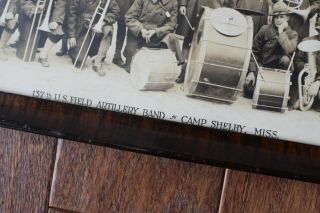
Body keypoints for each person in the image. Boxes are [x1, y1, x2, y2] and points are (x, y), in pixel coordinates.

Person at [244, 1, 298, 95]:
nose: (278, 20)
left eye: (282, 17)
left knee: (285, 60)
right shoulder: (265, 29)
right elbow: (254, 51)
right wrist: (252, 71)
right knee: (249, 91)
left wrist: (281, 32)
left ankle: (280, 87)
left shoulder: (293, 34)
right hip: (263, 66)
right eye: (276, 17)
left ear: (287, 18)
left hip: (280, 69)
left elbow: (289, 49)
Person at [175, 0, 236, 83]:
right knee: (188, 41)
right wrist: (183, 4)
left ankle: (202, 75)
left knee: (208, 47)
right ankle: (183, 72)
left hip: (213, 12)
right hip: (193, 9)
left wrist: (228, 14)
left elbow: (231, 5)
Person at [124, 0, 185, 73]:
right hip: (138, 35)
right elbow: (130, 17)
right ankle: (129, 52)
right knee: (132, 69)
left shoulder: (173, 2)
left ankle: (169, 62)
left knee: (171, 37)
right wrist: (141, 30)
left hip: (156, 37)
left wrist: (156, 31)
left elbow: (171, 24)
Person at [68, 0, 120, 76]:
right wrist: (72, 35)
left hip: (101, 24)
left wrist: (103, 22)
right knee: (78, 62)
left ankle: (98, 62)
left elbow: (115, 12)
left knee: (108, 29)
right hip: (84, 27)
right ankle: (83, 51)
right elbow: (72, 15)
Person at [38, 0, 70, 67]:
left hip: (53, 14)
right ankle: (41, 52)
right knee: (57, 31)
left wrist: (55, 20)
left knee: (58, 32)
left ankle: (43, 55)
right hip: (40, 12)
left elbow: (62, 4)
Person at [112, 0, 135, 68]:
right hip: (124, 5)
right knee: (122, 28)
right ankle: (117, 55)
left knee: (132, 30)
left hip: (135, 5)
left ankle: (127, 55)